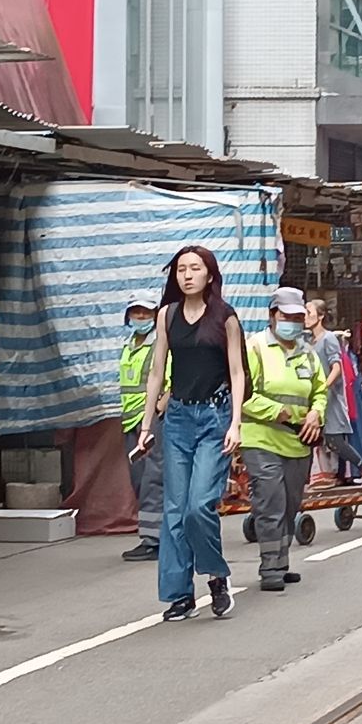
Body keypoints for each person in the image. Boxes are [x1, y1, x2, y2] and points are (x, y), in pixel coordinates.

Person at [136, 246, 247, 622]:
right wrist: (146, 424)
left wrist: (235, 423)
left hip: (215, 418)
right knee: (174, 510)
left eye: (194, 268)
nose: (187, 275)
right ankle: (179, 594)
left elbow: (237, 374)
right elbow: (156, 373)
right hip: (179, 418)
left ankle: (216, 576)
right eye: (181, 269)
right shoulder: (166, 315)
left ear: (209, 275)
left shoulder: (225, 318)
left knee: (199, 505)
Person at [242, 287, 327, 591]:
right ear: (273, 315)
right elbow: (242, 396)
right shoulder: (254, 349)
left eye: (298, 317)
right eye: (286, 316)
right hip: (261, 438)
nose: (292, 322)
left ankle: (282, 561)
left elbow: (320, 390)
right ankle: (269, 567)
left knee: (291, 503)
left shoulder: (307, 352)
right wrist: (279, 412)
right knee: (271, 503)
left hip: (298, 441)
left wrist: (317, 414)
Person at [305, 299, 362, 487]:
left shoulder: (328, 339)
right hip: (315, 398)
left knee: (334, 439)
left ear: (320, 316)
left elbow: (336, 367)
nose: (305, 317)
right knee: (314, 437)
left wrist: (323, 387)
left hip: (330, 398)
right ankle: (319, 477)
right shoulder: (308, 341)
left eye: (309, 312)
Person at [120, 292, 169, 562]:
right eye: (136, 312)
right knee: (139, 478)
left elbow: (170, 379)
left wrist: (160, 407)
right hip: (131, 420)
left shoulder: (159, 344)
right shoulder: (129, 345)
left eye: (146, 312)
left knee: (153, 478)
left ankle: (153, 540)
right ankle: (158, 534)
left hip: (151, 422)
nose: (141, 317)